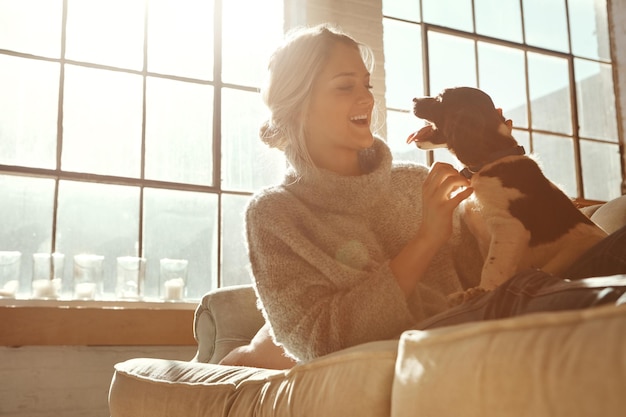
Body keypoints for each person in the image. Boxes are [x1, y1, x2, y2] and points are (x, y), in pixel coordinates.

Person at [219, 24, 626, 369]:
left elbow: (511, 234)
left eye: (367, 84)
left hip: (513, 299)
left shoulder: (416, 180)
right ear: (298, 107)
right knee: (532, 295)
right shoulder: (274, 215)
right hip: (453, 330)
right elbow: (316, 340)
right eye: (345, 86)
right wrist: (427, 238)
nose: (366, 98)